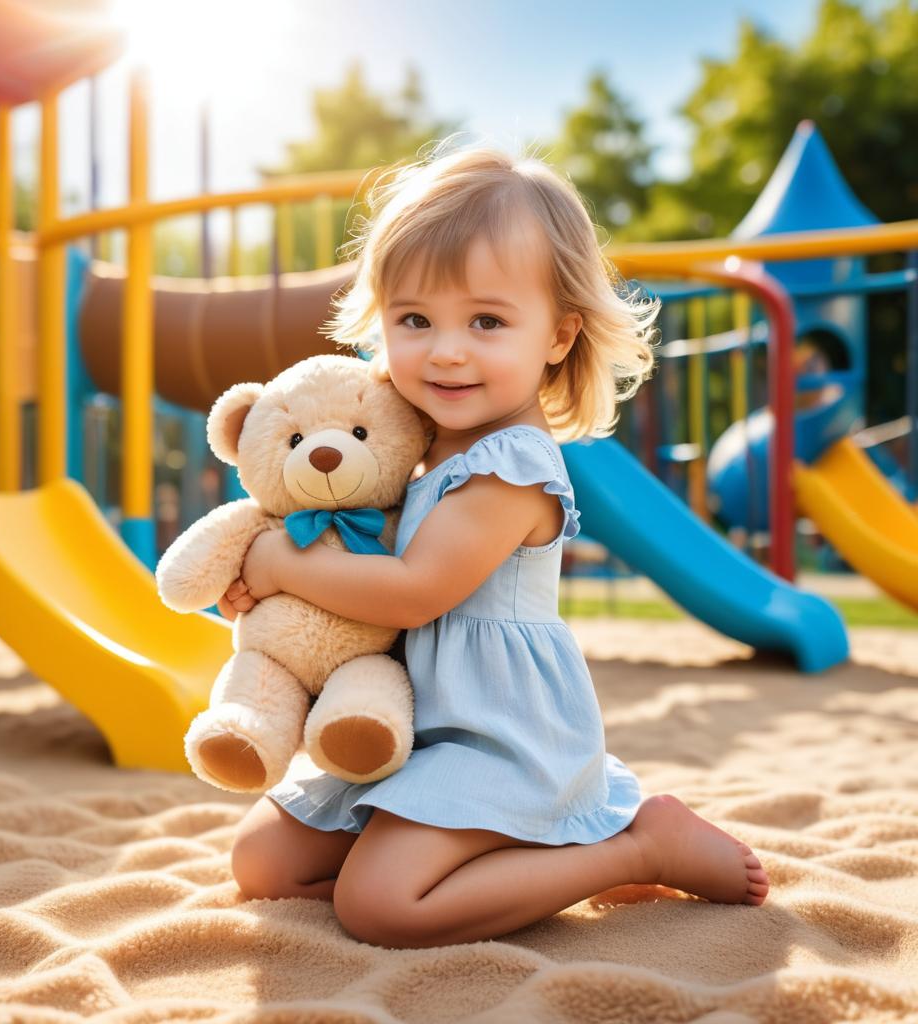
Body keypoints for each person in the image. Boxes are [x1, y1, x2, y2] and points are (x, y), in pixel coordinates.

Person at [215, 142, 770, 949]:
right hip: (414, 723)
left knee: (380, 907)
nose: (445, 349)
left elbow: (413, 590)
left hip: (494, 733)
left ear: (557, 334)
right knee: (263, 862)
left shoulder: (511, 467)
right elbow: (358, 553)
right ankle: (500, 850)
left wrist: (276, 564)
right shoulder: (420, 449)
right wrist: (275, 579)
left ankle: (634, 845)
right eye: (415, 319)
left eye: (486, 320)